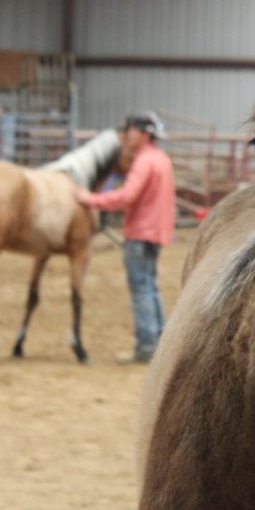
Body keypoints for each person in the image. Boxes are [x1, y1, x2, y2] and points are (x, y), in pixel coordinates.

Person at [74, 113, 176, 364]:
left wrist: (91, 200)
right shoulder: (161, 160)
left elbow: (126, 196)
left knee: (141, 288)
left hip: (140, 233)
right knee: (150, 286)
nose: (126, 136)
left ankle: (146, 345)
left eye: (130, 131)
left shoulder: (143, 161)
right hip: (156, 233)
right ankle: (160, 340)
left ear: (144, 134)